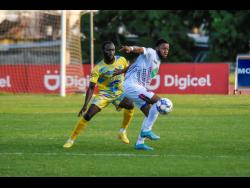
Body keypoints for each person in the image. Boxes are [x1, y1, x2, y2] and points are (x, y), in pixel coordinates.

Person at [63, 41, 134, 148]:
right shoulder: (98, 68)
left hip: (119, 93)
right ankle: (71, 139)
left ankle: (122, 131)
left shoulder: (121, 60)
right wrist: (85, 105)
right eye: (108, 50)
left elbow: (128, 71)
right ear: (103, 51)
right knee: (88, 115)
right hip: (105, 94)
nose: (111, 52)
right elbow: (91, 87)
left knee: (130, 104)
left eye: (113, 50)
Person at [115, 38, 170, 151]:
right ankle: (146, 131)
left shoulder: (157, 62)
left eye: (167, 49)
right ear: (157, 48)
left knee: (150, 113)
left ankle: (140, 143)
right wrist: (130, 48)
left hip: (136, 88)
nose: (166, 51)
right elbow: (140, 49)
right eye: (163, 48)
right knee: (159, 102)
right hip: (132, 86)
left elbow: (134, 65)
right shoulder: (151, 53)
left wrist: (121, 71)